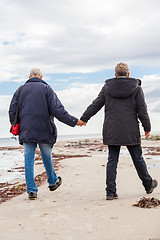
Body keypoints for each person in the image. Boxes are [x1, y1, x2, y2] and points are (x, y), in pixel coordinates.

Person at [80, 62, 158, 200]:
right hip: (130, 129)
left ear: (115, 75)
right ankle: (148, 184)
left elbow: (96, 104)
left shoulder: (106, 88)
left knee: (112, 160)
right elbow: (142, 110)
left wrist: (84, 118)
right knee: (138, 158)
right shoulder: (137, 89)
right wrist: (147, 128)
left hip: (112, 129)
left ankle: (110, 191)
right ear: (128, 74)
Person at [9, 69, 83, 200]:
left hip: (27, 130)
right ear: (41, 77)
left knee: (28, 160)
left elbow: (12, 110)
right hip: (44, 129)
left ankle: (32, 191)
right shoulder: (47, 89)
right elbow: (58, 110)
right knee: (46, 156)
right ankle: (53, 182)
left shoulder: (20, 90)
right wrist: (73, 121)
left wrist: (19, 125)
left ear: (29, 77)